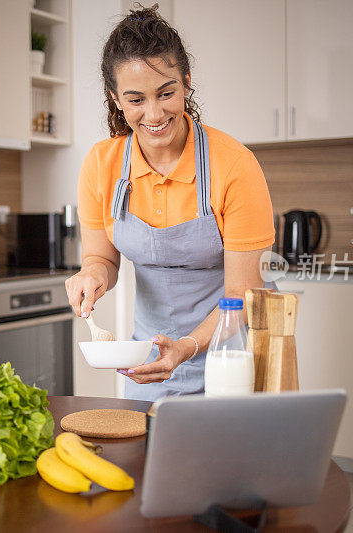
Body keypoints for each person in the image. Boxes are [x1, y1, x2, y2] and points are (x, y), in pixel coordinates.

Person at [65, 6, 275, 401]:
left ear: (187, 83)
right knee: (139, 457)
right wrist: (92, 277)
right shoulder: (101, 165)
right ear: (115, 99)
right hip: (148, 359)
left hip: (230, 354)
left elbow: (244, 295)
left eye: (166, 93)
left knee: (224, 460)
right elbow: (104, 261)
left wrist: (187, 347)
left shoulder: (234, 166)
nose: (155, 114)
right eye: (136, 99)